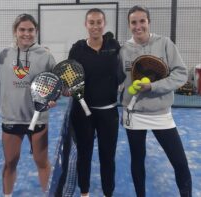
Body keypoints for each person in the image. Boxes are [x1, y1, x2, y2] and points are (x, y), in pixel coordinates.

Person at [119, 5, 192, 197]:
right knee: (137, 160)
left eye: (142, 21)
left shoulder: (165, 43)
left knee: (179, 161)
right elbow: (115, 79)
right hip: (133, 113)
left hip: (161, 114)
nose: (138, 26)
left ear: (148, 22)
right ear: (129, 25)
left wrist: (153, 86)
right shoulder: (123, 50)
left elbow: (181, 74)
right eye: (133, 22)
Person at [0, 14, 56, 197]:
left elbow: (56, 84)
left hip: (38, 117)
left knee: (42, 161)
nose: (26, 34)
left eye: (30, 30)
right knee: (10, 162)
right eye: (22, 29)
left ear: (36, 31)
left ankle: (47, 193)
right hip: (12, 117)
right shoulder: (2, 55)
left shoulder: (46, 55)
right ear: (15, 31)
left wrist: (54, 97)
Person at [67, 8, 125, 197]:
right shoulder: (77, 49)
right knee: (84, 155)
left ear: (104, 24)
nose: (95, 26)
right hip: (82, 112)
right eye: (91, 22)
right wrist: (68, 89)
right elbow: (69, 77)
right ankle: (85, 192)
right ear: (86, 25)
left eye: (99, 22)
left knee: (107, 157)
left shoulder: (114, 46)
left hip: (108, 112)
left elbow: (122, 73)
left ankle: (108, 193)